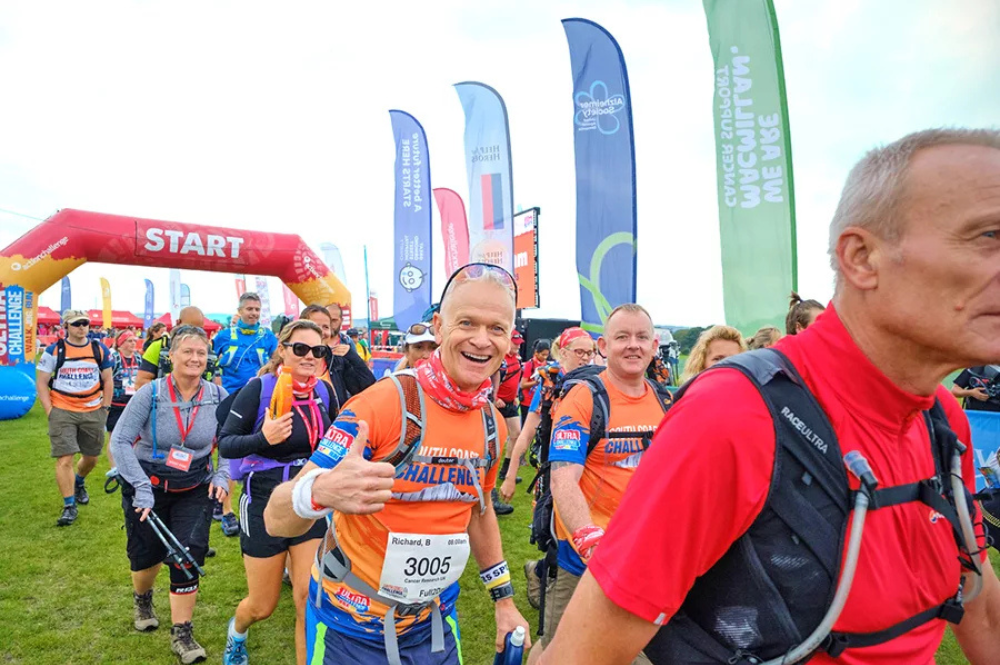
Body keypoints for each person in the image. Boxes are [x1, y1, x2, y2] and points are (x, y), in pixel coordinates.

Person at [539, 129, 1000, 664]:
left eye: (645, 336)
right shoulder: (733, 413)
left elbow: (980, 603)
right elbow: (581, 653)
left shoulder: (942, 420)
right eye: (988, 236)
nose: (637, 347)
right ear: (862, 257)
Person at [264, 263, 531, 665]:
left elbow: (480, 509)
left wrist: (503, 599)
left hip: (434, 625)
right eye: (467, 323)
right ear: (439, 327)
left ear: (511, 339)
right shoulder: (382, 404)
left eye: (497, 328)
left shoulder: (490, 423)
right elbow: (275, 519)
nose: (482, 340)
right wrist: (317, 493)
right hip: (350, 629)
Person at [527, 305, 668, 665]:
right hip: (584, 559)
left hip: (642, 558)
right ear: (604, 346)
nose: (633, 346)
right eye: (622, 337)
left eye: (641, 338)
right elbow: (563, 476)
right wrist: (590, 539)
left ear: (654, 346)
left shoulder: (665, 400)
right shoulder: (585, 397)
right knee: (561, 651)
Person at [218, 320, 338, 665]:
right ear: (282, 350)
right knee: (262, 605)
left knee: (307, 597)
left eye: (318, 351)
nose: (310, 356)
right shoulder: (259, 388)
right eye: (300, 348)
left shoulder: (324, 392)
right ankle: (237, 631)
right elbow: (226, 444)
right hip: (263, 502)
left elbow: (335, 439)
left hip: (307, 499)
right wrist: (262, 439)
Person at [110, 325, 229, 664]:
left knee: (188, 552)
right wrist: (142, 488)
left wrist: (220, 472)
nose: (195, 358)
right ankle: (143, 597)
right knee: (144, 557)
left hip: (193, 487)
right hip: (147, 485)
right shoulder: (151, 394)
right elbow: (119, 441)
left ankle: (182, 633)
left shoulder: (217, 396)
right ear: (171, 356)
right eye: (187, 351)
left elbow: (229, 442)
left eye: (201, 353)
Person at [35, 309, 113, 527]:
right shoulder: (54, 350)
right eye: (76, 323)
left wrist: (105, 408)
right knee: (65, 459)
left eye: (85, 323)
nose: (81, 327)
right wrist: (50, 410)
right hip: (62, 409)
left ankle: (79, 482)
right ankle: (69, 505)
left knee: (92, 458)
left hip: (92, 409)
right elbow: (41, 382)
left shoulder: (99, 349)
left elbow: (108, 381)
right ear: (66, 326)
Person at [214, 292, 279, 394]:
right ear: (240, 311)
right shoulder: (224, 335)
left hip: (259, 393)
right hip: (230, 395)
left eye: (257, 309)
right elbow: (209, 361)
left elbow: (278, 362)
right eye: (249, 309)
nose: (254, 313)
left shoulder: (268, 336)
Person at [324, 303, 377, 398]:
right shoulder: (315, 344)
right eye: (327, 320)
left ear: (341, 321)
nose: (330, 324)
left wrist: (351, 356)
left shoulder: (347, 342)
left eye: (334, 320)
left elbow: (362, 375)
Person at [106, 330, 141, 472]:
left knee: (134, 437)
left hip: (133, 403)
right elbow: (105, 379)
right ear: (121, 344)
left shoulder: (138, 359)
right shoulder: (114, 359)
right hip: (115, 404)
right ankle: (115, 469)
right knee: (114, 437)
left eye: (134, 340)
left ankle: (130, 467)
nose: (133, 343)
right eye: (129, 341)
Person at [678, 324, 747, 383]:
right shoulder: (692, 396)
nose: (727, 365)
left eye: (734, 359)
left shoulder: (751, 393)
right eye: (718, 359)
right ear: (701, 363)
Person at [520, 339, 551, 422]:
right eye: (543, 355)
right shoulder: (530, 364)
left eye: (547, 355)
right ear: (536, 353)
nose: (545, 357)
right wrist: (536, 382)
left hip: (540, 400)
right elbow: (522, 385)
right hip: (527, 401)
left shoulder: (546, 364)